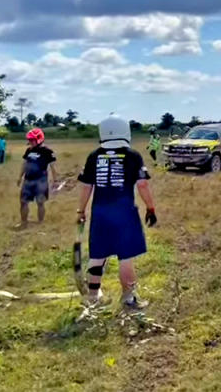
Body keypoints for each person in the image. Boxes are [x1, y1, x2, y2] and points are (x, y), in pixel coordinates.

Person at [77, 114, 157, 309]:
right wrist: (150, 207)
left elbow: (86, 186)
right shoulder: (132, 156)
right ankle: (129, 298)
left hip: (100, 213)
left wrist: (81, 211)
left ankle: (93, 298)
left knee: (97, 255)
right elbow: (143, 184)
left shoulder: (94, 156)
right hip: (124, 213)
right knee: (125, 256)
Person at [18, 129, 57, 227]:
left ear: (39, 139)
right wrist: (20, 177)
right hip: (28, 180)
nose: (30, 142)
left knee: (40, 203)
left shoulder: (47, 151)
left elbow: (53, 167)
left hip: (41, 181)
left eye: (32, 140)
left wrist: (55, 181)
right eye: (29, 140)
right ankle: (24, 222)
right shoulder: (29, 150)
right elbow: (24, 164)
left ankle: (40, 223)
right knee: (23, 202)